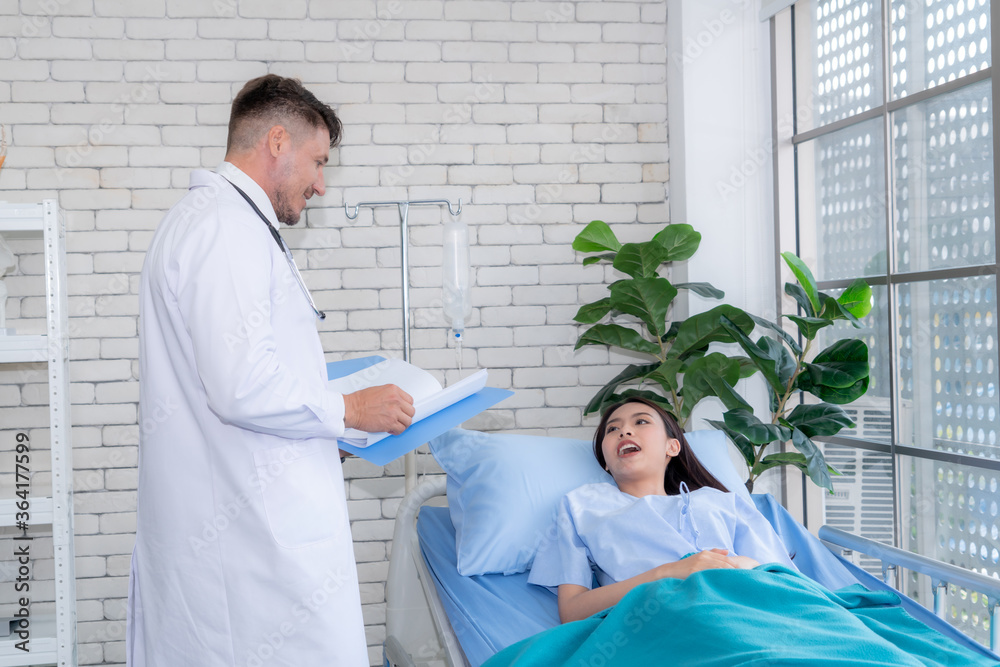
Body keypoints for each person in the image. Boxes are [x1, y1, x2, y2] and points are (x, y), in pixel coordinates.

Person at [128, 74, 415, 667]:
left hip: (239, 523)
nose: (322, 185)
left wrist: (327, 432)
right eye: (318, 161)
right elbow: (239, 388)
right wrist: (348, 410)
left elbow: (238, 380)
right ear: (278, 141)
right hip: (252, 546)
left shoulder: (219, 222)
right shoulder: (225, 230)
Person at [527, 397, 796, 623]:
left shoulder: (721, 501)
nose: (624, 432)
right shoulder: (582, 506)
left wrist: (740, 564)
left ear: (672, 446)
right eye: (612, 429)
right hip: (665, 622)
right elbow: (573, 611)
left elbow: (787, 581)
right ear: (605, 462)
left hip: (751, 609)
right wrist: (669, 572)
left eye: (641, 421)